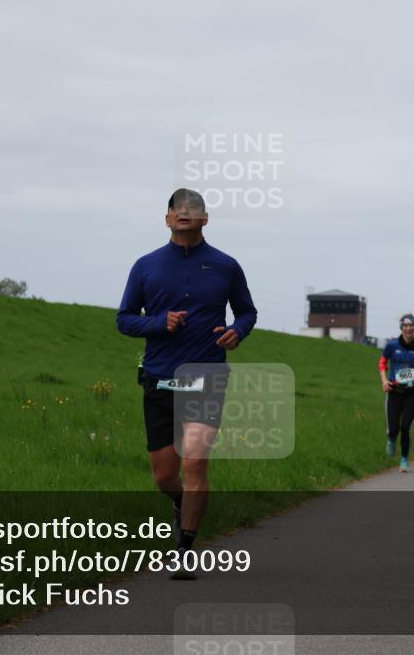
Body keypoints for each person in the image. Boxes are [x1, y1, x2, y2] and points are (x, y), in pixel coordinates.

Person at [117, 188, 257, 579]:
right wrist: (158, 323)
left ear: (205, 218)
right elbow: (124, 319)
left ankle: (184, 549)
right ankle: (182, 504)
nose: (184, 213)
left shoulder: (226, 266)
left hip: (207, 374)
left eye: (192, 208)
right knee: (164, 475)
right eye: (176, 208)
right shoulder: (145, 266)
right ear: (166, 219)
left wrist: (237, 331)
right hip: (160, 377)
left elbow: (247, 312)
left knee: (195, 460)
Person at [379, 314, 414, 473]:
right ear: (401, 328)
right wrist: (384, 381)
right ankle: (391, 438)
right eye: (405, 326)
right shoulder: (392, 345)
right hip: (394, 391)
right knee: (393, 428)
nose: (408, 329)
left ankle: (404, 459)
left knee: (406, 427)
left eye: (411, 326)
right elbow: (382, 363)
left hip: (412, 392)